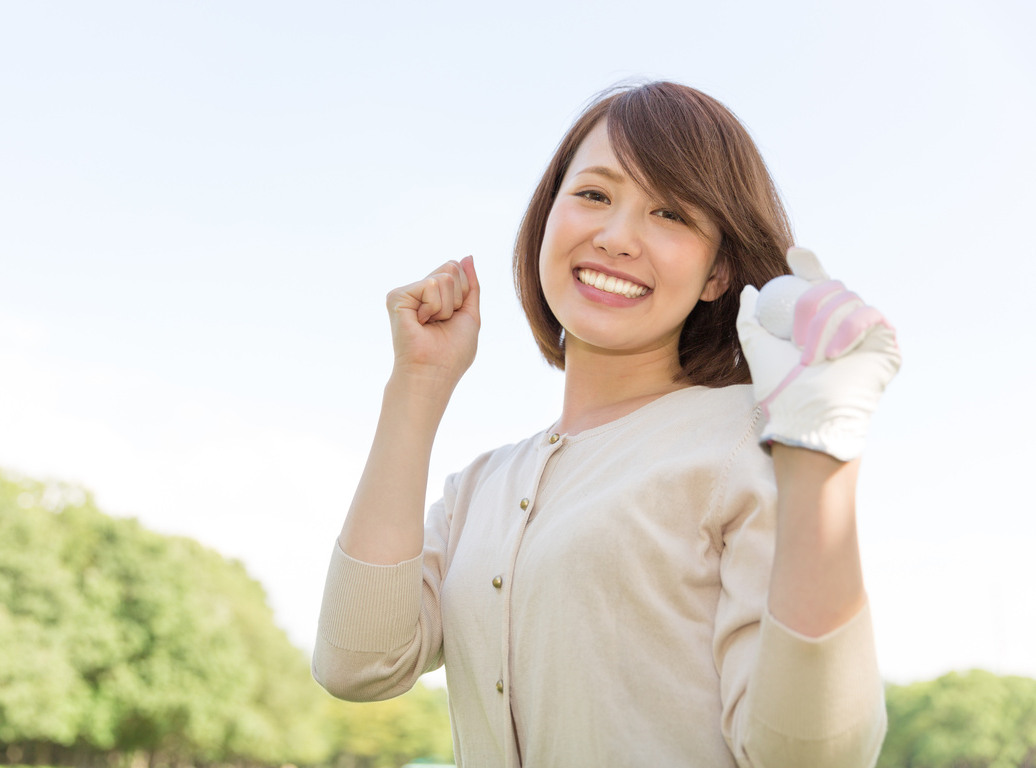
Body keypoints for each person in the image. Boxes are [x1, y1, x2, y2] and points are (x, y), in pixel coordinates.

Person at [313, 81, 900, 767]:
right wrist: (417, 385)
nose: (616, 238)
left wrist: (820, 463)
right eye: (593, 195)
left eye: (671, 213)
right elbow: (357, 663)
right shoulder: (481, 486)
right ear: (548, 213)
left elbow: (812, 759)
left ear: (719, 273)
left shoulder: (753, 439)